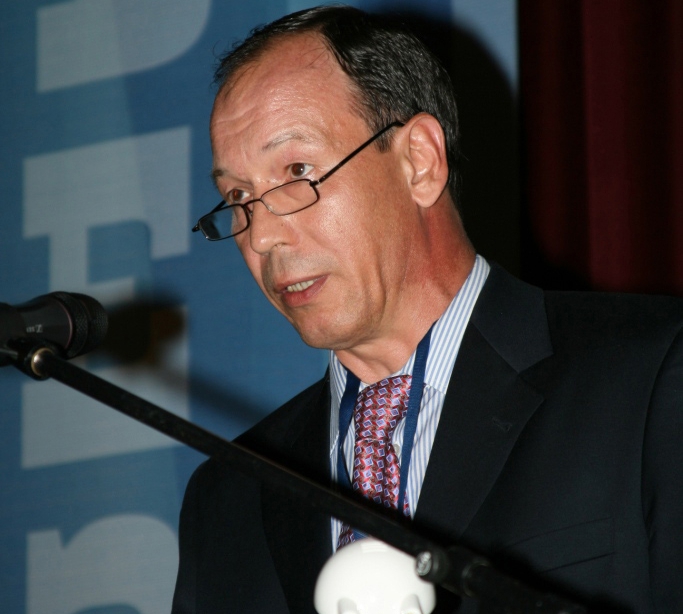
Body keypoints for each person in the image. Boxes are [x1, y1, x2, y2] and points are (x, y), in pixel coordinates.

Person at [173, 6, 683, 614]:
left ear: (419, 160)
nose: (260, 236)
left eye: (297, 171)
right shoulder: (228, 497)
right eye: (237, 196)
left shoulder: (651, 377)